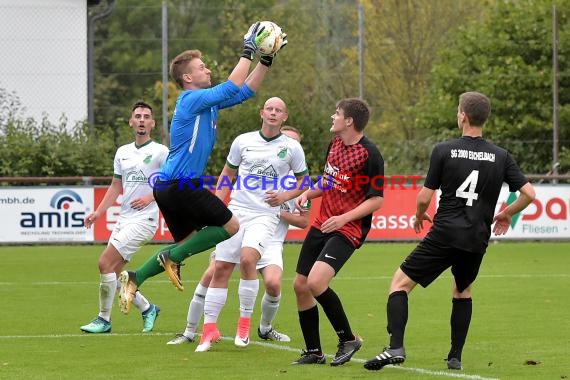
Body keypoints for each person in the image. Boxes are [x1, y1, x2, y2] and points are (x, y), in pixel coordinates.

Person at [117, 22, 288, 314]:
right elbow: (232, 84)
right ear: (187, 77)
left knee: (187, 242)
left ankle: (135, 277)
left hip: (169, 187)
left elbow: (245, 92)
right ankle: (171, 259)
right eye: (202, 67)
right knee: (231, 227)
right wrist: (248, 49)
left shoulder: (205, 103)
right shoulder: (190, 99)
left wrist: (266, 60)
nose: (207, 70)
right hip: (181, 185)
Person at [363, 91, 536, 371]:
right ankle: (455, 357)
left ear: (462, 116)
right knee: (463, 289)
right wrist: (506, 213)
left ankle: (395, 346)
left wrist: (420, 216)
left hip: (445, 233)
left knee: (399, 283)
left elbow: (423, 197)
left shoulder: (444, 150)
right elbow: (529, 193)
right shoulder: (501, 156)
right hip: (477, 237)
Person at [167, 125, 309, 345]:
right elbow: (227, 176)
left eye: (293, 142)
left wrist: (276, 208)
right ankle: (189, 331)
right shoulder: (255, 163)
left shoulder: (298, 186)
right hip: (241, 225)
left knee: (273, 284)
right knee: (213, 272)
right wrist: (214, 211)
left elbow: (303, 221)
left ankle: (265, 328)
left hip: (270, 241)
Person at [292, 98, 384, 366]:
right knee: (300, 285)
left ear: (349, 121)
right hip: (323, 222)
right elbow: (329, 181)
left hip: (349, 228)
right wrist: (310, 192)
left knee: (316, 283)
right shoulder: (334, 145)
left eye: (337, 113)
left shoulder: (370, 154)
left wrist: (343, 218)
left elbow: (376, 200)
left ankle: (349, 339)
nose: (333, 116)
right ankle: (314, 352)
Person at [80, 101, 169, 334]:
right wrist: (98, 212)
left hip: (145, 221)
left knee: (104, 263)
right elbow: (115, 186)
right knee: (117, 274)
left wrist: (151, 197)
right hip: (124, 219)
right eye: (137, 116)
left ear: (152, 123)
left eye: (146, 116)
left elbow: (170, 183)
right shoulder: (123, 152)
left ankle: (104, 319)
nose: (141, 120)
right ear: (131, 122)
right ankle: (148, 308)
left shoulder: (160, 152)